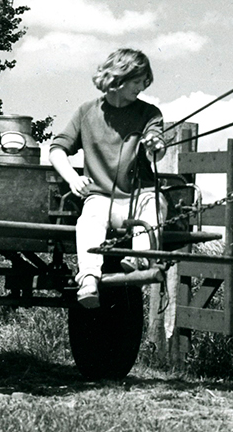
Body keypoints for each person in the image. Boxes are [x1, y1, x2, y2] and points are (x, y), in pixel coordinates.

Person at [49, 48, 166, 308]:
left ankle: (138, 258)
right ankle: (88, 280)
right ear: (117, 79)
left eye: (145, 82)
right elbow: (57, 149)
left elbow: (156, 150)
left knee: (154, 205)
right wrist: (72, 178)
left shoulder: (150, 113)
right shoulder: (86, 112)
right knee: (89, 220)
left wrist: (154, 147)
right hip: (101, 197)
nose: (142, 88)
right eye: (137, 82)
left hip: (140, 196)